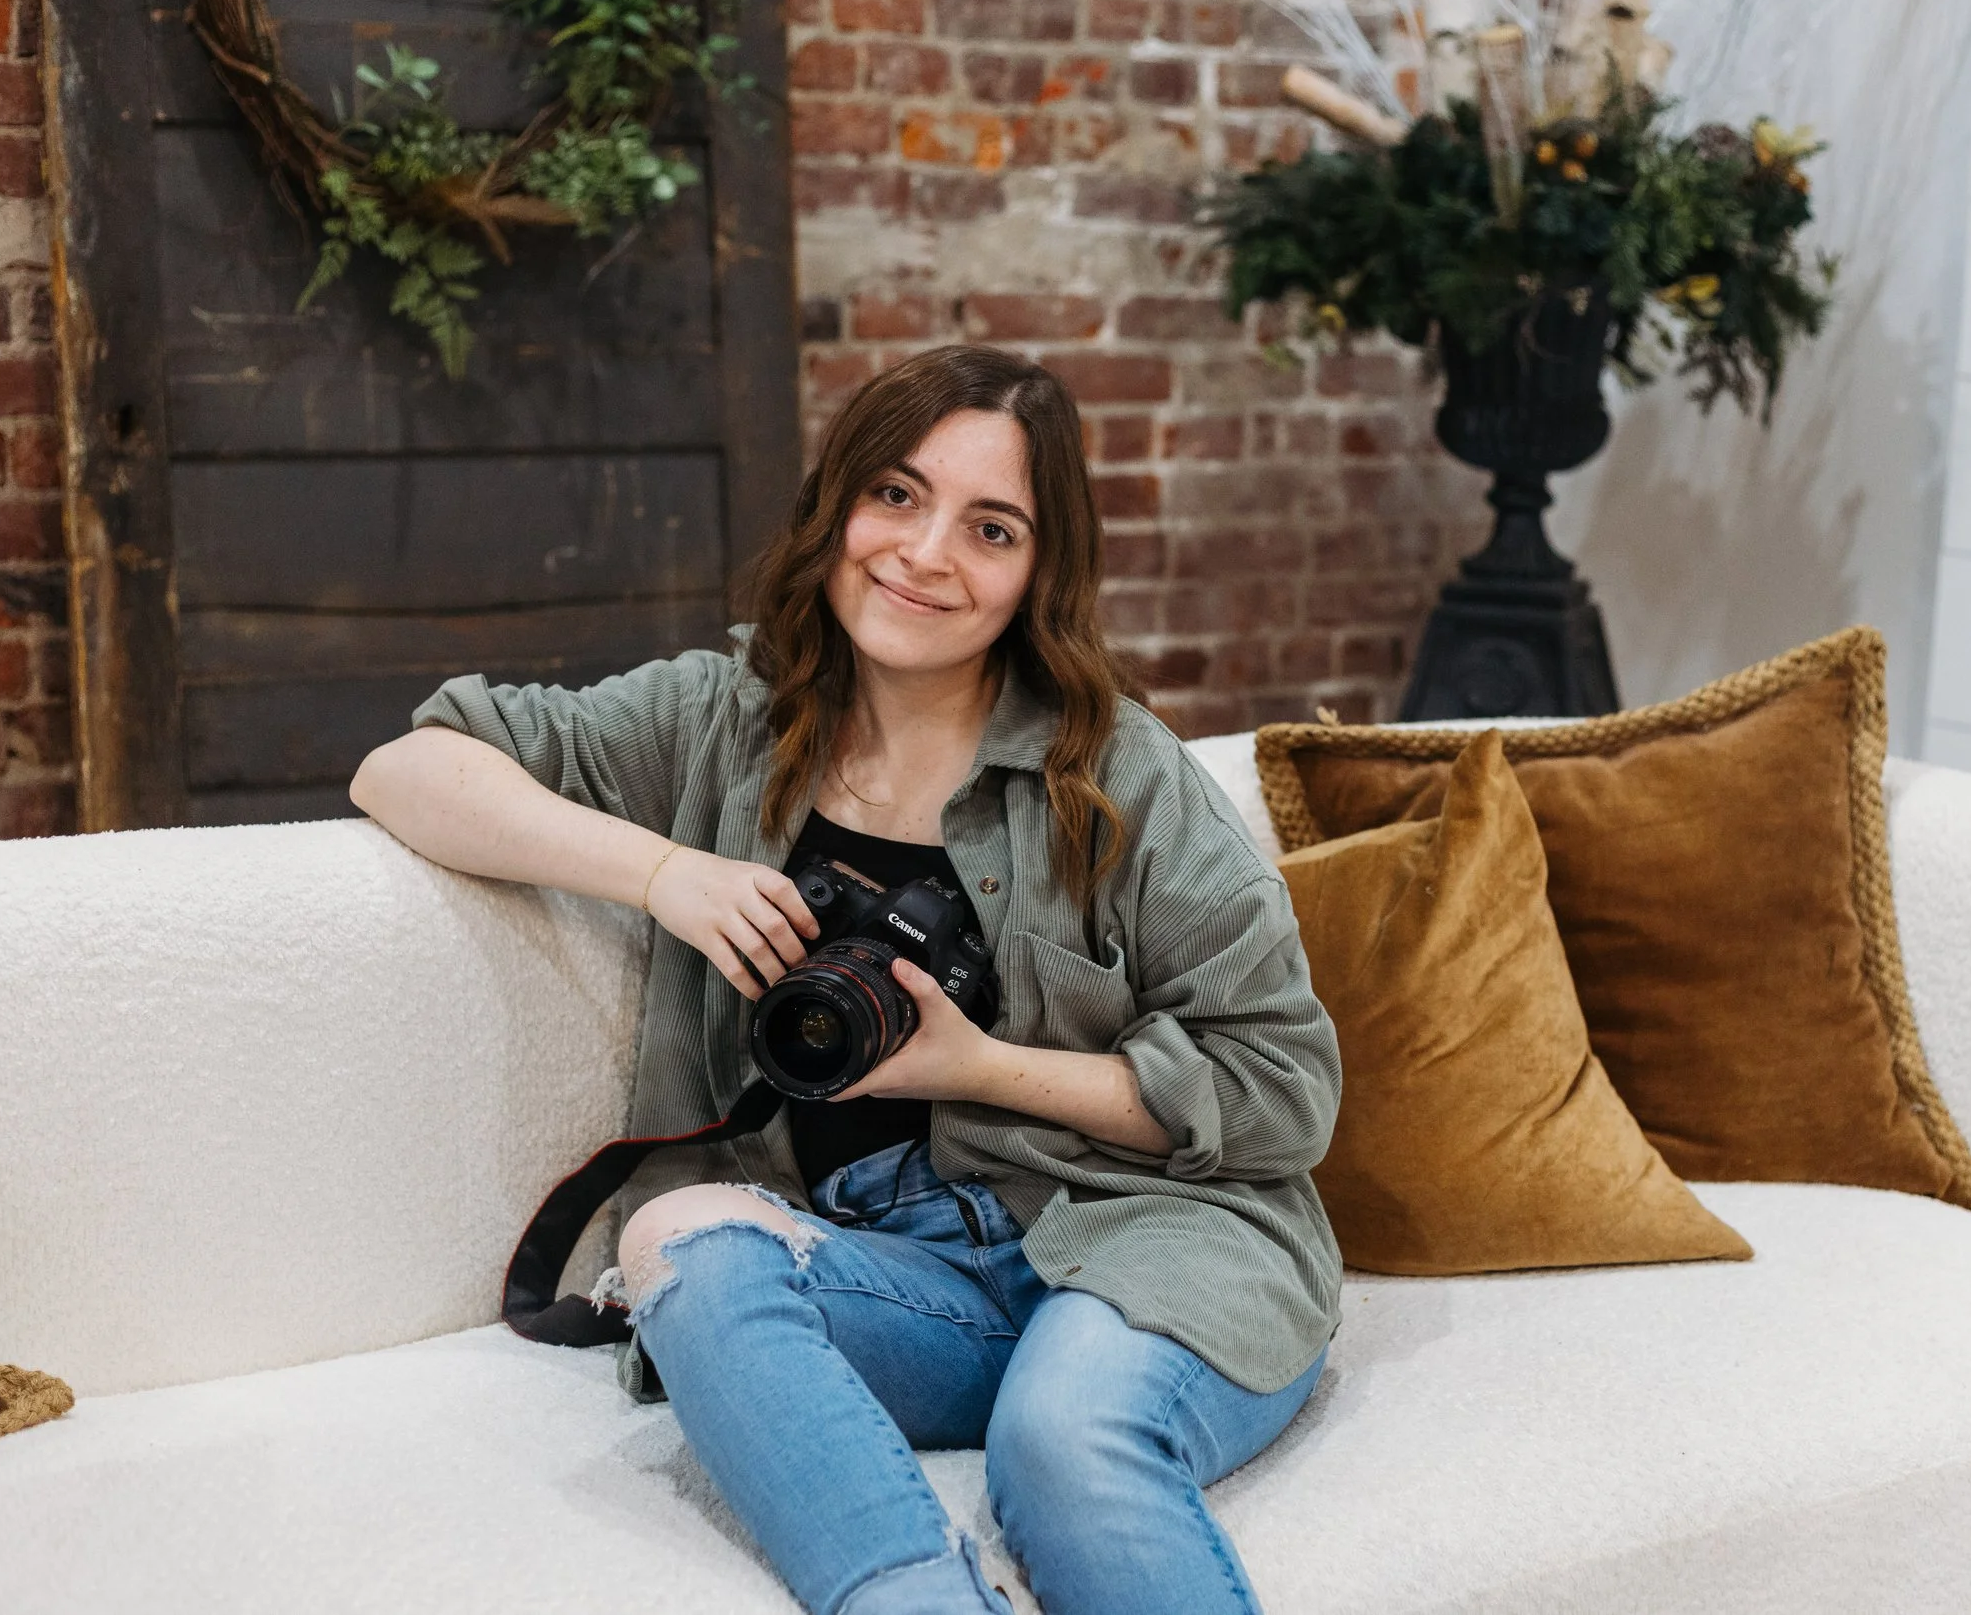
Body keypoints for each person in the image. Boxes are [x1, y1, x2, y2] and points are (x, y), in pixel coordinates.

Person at [349, 344, 1343, 1615]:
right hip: (905, 1275)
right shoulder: (724, 721)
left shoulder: (1121, 778)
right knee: (674, 1242)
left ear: (1040, 572)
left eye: (991, 528)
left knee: (1063, 1444)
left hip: (1151, 1241)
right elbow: (411, 765)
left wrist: (976, 1066)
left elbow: (1283, 1092)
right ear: (837, 509)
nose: (926, 554)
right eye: (895, 495)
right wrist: (666, 873)